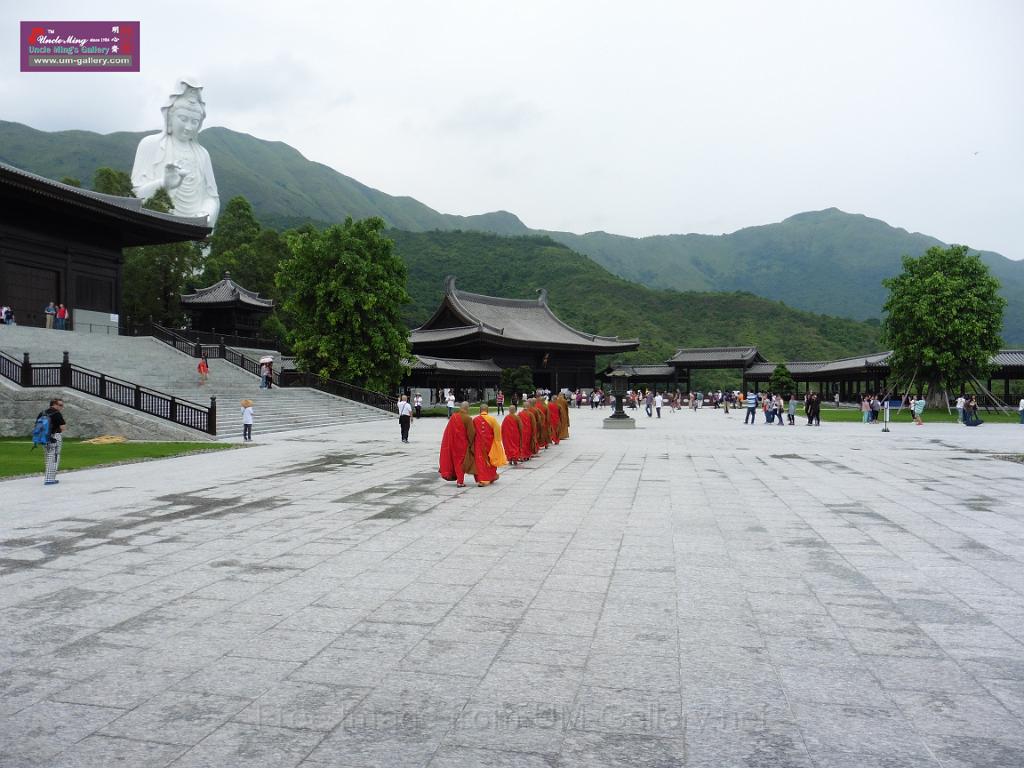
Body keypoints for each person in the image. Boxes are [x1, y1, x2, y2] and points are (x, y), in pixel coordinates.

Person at [131, 79, 221, 226]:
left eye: (194, 122)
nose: (188, 127)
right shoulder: (150, 145)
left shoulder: (202, 154)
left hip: (194, 230)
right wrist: (163, 184)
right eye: (183, 119)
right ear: (170, 116)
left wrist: (204, 215)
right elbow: (135, 197)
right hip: (157, 229)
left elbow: (212, 198)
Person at [439, 402, 475, 487]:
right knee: (460, 462)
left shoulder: (453, 416)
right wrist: (471, 443)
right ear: (467, 408)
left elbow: (448, 431)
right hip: (462, 444)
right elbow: (471, 433)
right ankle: (460, 481)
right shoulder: (468, 418)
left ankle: (457, 478)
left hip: (452, 443)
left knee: (455, 461)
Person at [471, 405, 500, 486]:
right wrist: (497, 443)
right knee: (491, 460)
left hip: (479, 444)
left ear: (480, 411)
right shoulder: (492, 419)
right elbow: (497, 431)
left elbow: (472, 432)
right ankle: (491, 476)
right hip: (490, 444)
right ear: (487, 411)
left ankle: (483, 480)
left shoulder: (475, 420)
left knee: (480, 461)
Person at [41, 398, 66, 485]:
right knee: (54, 457)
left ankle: (49, 477)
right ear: (54, 404)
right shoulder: (56, 413)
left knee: (48, 457)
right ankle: (49, 479)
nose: (61, 407)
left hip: (43, 437)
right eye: (60, 405)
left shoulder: (43, 412)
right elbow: (63, 427)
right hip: (55, 437)